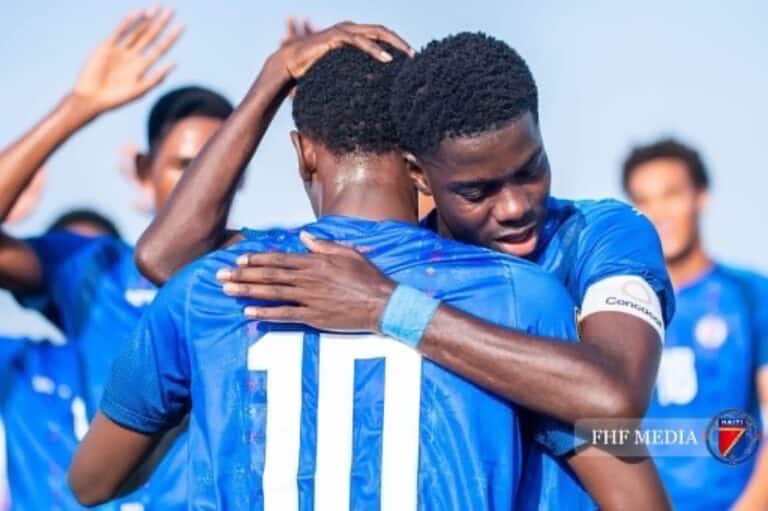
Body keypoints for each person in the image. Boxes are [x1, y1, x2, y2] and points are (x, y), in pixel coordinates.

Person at [67, 28, 601, 510]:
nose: (513, 207)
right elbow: (624, 454)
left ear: (304, 154)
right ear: (422, 162)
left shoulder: (215, 288)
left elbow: (89, 483)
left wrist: (274, 76)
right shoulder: (523, 291)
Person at [0, 7, 232, 508]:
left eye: (223, 162)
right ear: (145, 170)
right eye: (185, 165)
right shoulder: (95, 271)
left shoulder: (262, 266)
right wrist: (79, 106)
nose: (204, 180)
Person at [622, 138, 768, 510]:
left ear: (701, 197)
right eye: (644, 200)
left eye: (671, 195)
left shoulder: (751, 294)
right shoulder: (615, 308)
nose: (659, 212)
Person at [0, 209, 123, 510]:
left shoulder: (168, 365)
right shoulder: (18, 364)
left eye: (102, 267)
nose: (84, 284)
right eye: (67, 266)